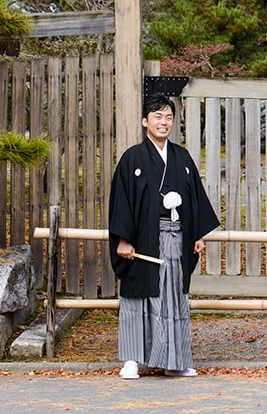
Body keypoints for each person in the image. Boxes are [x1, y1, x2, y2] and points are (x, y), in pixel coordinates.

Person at [108, 93, 220, 379]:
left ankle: (175, 360)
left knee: (174, 296)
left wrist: (196, 234)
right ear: (146, 121)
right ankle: (132, 359)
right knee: (137, 294)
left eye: (168, 117)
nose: (164, 122)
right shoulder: (132, 157)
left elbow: (194, 198)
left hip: (177, 236)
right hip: (143, 237)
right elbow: (121, 200)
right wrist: (123, 239)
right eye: (157, 116)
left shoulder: (181, 157)